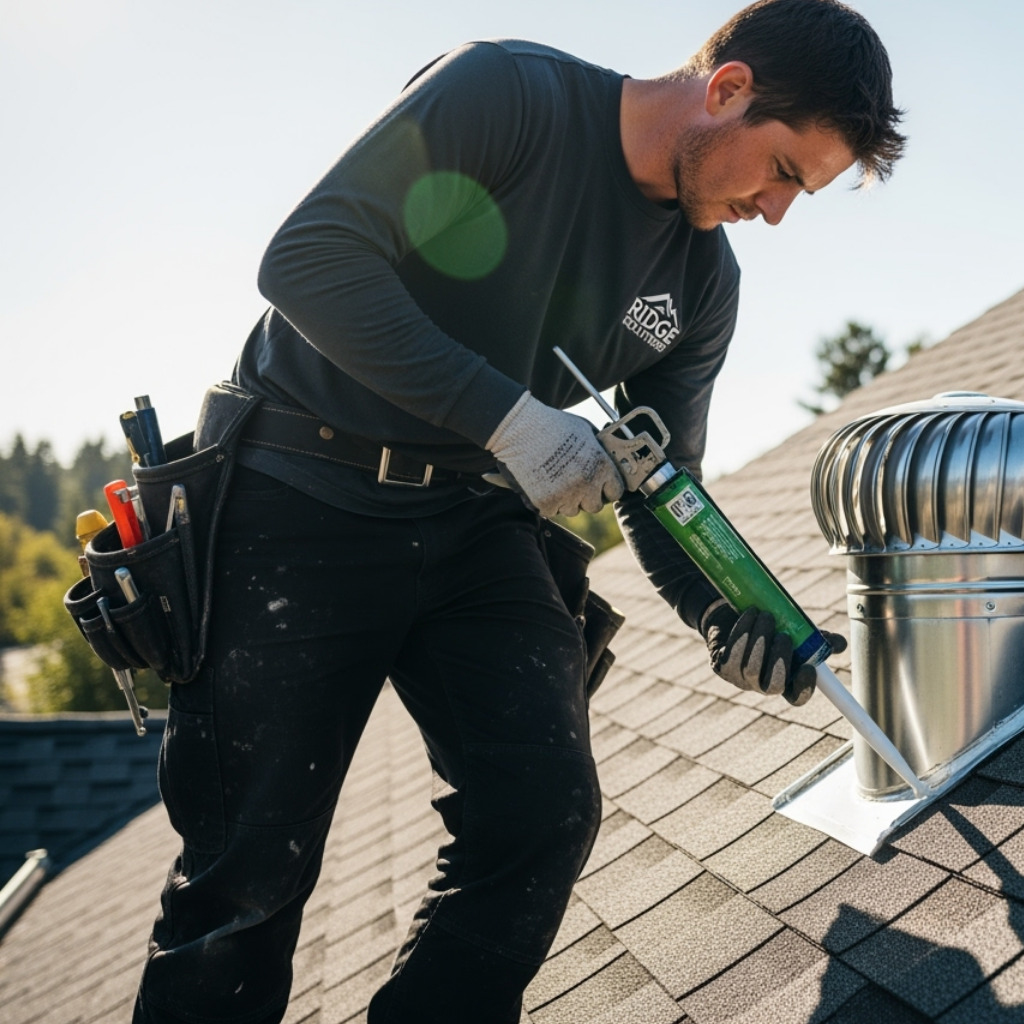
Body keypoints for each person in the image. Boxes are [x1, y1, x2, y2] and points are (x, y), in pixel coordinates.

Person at [130, 1, 904, 1022]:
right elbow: (306, 260)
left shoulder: (701, 279)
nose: (776, 211)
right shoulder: (509, 95)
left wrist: (728, 613)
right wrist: (507, 418)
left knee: (542, 812)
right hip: (293, 495)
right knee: (248, 872)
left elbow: (660, 482)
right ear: (727, 91)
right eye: (784, 173)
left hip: (469, 523)